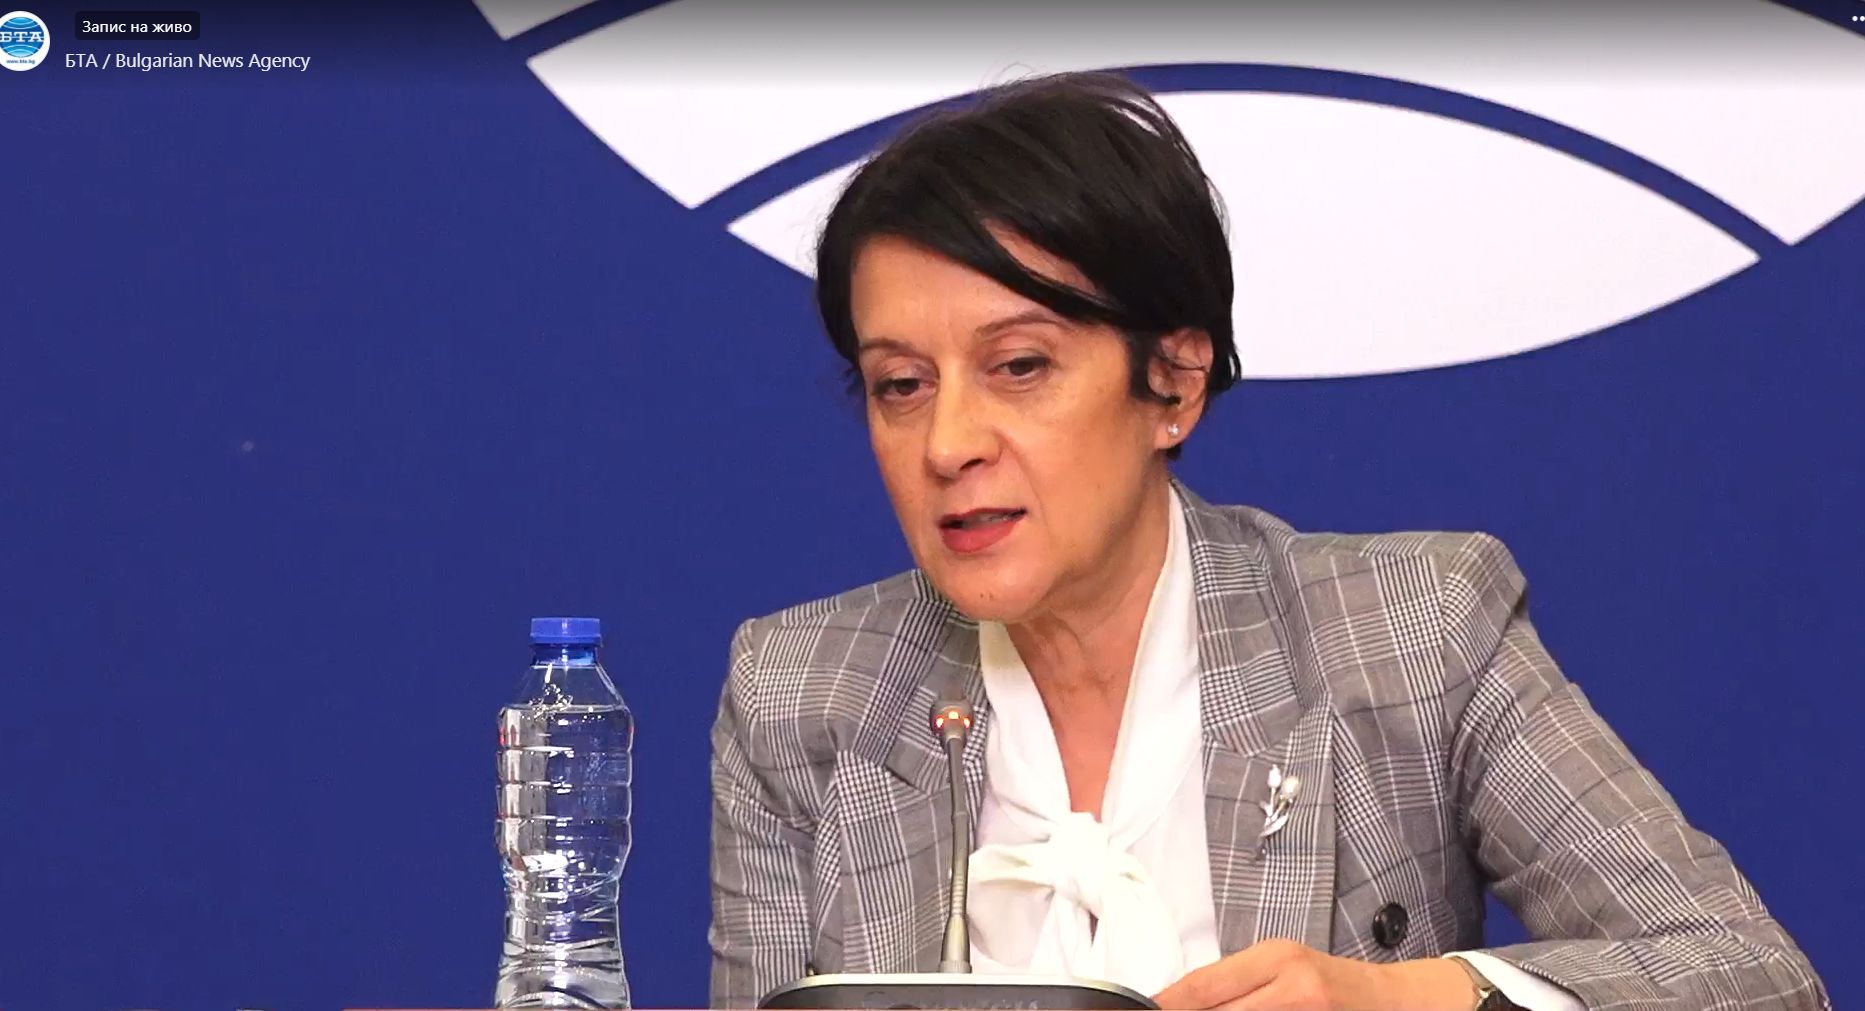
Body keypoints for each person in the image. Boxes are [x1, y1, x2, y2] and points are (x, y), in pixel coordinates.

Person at [707, 71, 1828, 1011]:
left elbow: (1749, 977)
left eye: (1020, 366)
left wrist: (1399, 1000)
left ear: (1172, 382)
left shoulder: (1410, 631)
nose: (948, 442)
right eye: (900, 385)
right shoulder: (799, 694)